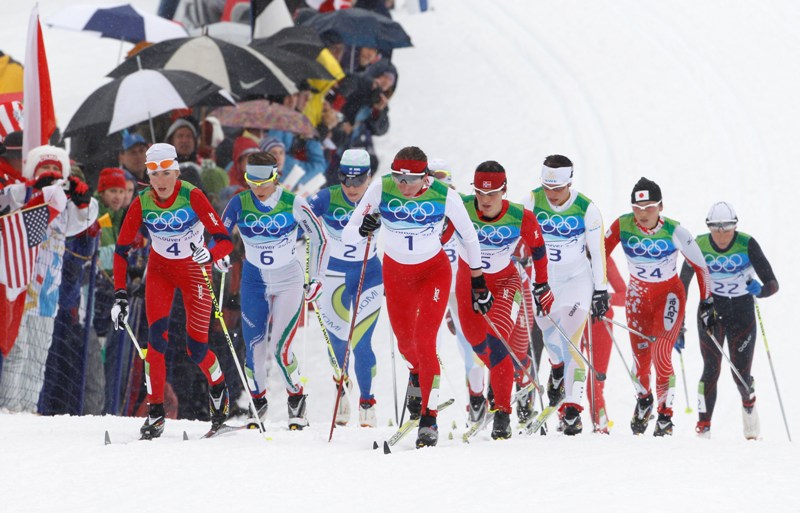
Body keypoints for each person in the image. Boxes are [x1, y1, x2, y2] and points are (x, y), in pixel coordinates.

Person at [343, 146, 492, 448]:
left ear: (424, 177)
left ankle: (429, 418)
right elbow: (348, 235)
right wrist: (364, 227)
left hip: (433, 274)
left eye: (409, 179)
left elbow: (470, 236)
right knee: (406, 345)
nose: (403, 185)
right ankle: (416, 377)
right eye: (398, 177)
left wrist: (478, 280)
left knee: (425, 341)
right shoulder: (381, 188)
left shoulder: (444, 195)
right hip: (396, 276)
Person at [111, 143, 234, 439]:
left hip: (194, 270)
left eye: (167, 172)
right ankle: (155, 413)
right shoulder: (142, 201)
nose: (162, 180)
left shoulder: (192, 195)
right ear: (148, 176)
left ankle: (218, 391)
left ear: (177, 172)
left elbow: (224, 240)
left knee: (197, 348)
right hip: (160, 272)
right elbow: (121, 250)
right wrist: (119, 295)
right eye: (155, 174)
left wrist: (212, 254)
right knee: (155, 345)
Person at [220, 151, 328, 430]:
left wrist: (316, 277)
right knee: (253, 348)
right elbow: (219, 235)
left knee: (281, 349)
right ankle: (258, 402)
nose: (258, 188)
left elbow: (319, 237)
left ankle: (296, 399)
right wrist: (217, 254)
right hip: (254, 281)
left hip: (288, 281)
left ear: (275, 176)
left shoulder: (293, 203)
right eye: (251, 181)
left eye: (263, 181)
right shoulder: (239, 203)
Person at [605, 177, 714, 436]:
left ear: (661, 207)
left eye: (649, 207)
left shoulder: (675, 231)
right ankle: (644, 399)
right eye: (638, 208)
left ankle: (665, 415)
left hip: (669, 298)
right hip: (637, 299)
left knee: (661, 353)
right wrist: (596, 287)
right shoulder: (622, 225)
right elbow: (597, 253)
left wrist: (707, 302)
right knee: (640, 363)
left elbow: (701, 267)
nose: (642, 214)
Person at [453, 161, 551, 439]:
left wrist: (542, 284)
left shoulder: (521, 217)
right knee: (476, 342)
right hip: (467, 284)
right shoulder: (461, 207)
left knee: (498, 343)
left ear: (504, 190)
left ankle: (502, 413)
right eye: (480, 193)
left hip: (505, 283)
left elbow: (539, 250)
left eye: (493, 193)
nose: (485, 200)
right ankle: (510, 373)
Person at [522, 155, 607, 435]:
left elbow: (597, 252)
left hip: (576, 280)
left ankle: (572, 410)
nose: (552, 195)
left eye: (557, 189)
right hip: (544, 281)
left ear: (570, 183)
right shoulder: (533, 201)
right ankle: (556, 369)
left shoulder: (587, 209)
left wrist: (601, 290)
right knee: (549, 336)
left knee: (571, 341)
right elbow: (518, 237)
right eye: (547, 187)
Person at [680, 201, 778, 440]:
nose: (721, 235)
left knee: (741, 375)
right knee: (710, 370)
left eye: (726, 229)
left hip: (742, 313)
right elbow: (682, 285)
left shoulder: (747, 243)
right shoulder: (700, 245)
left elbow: (773, 284)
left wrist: (760, 290)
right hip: (711, 314)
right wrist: (678, 322)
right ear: (709, 228)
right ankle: (704, 426)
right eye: (716, 229)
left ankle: (750, 415)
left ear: (735, 226)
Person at [307, 148, 382, 427]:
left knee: (362, 342)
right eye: (345, 180)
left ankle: (367, 400)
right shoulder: (327, 197)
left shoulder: (379, 197)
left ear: (369, 177)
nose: (351, 187)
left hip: (369, 274)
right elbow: (298, 216)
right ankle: (342, 390)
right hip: (334, 276)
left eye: (358, 180)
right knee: (338, 343)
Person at [430, 158, 487, 424]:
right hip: (434, 283)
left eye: (445, 186)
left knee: (470, 344)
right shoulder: (420, 204)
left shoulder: (463, 202)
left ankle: (477, 399)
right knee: (429, 342)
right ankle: (427, 402)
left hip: (462, 282)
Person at [582, 255, 626, 433]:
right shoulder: (567, 255)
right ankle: (567, 418)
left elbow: (624, 295)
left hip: (601, 324)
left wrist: (605, 298)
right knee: (570, 375)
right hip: (575, 322)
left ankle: (601, 423)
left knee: (596, 380)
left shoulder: (603, 259)